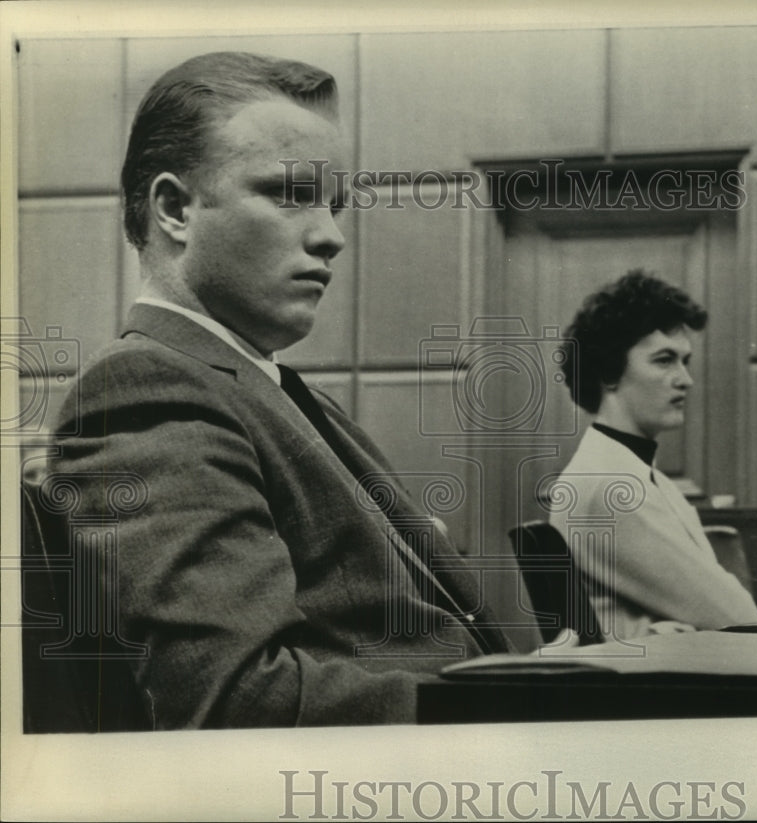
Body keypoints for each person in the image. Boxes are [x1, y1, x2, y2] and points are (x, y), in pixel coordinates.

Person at [45, 52, 513, 729]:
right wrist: (510, 706)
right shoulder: (145, 392)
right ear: (175, 208)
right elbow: (240, 701)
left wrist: (527, 677)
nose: (332, 236)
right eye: (290, 194)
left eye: (335, 205)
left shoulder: (275, 389)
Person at [549, 270, 757, 639]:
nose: (685, 379)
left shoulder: (635, 472)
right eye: (664, 360)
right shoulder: (610, 485)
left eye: (685, 361)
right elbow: (739, 617)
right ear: (608, 371)